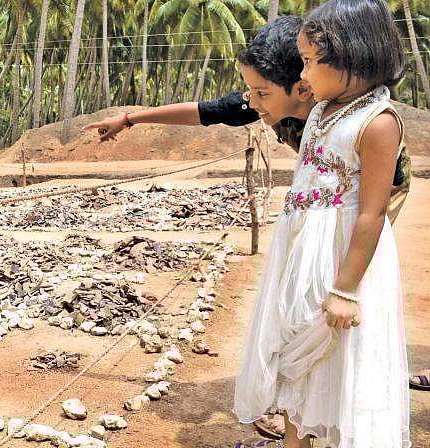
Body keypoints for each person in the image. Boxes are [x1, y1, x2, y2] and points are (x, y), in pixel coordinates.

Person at [232, 1, 410, 447]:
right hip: (301, 253)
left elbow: (371, 213)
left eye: (310, 61)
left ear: (351, 54)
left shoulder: (379, 123)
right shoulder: (320, 111)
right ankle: (297, 440)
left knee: (339, 357)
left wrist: (346, 289)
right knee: (298, 353)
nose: (304, 75)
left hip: (340, 260)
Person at [83, 16, 410, 225]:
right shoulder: (266, 100)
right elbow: (202, 112)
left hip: (374, 184)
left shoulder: (345, 117)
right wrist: (128, 120)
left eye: (261, 93)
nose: (251, 102)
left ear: (303, 86)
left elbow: (374, 202)